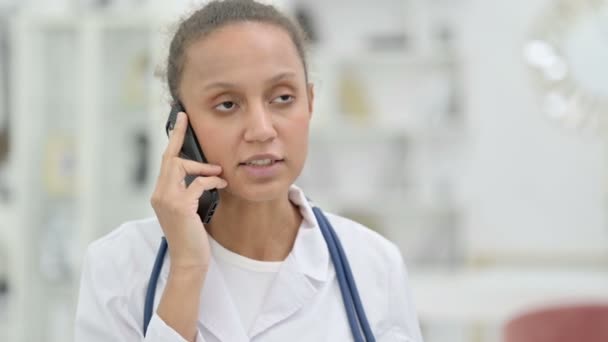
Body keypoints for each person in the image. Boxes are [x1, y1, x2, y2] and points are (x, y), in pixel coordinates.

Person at [74, 0, 423, 341]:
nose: (261, 129)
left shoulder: (374, 264)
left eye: (283, 98)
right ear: (180, 123)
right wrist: (186, 270)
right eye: (227, 104)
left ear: (311, 102)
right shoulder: (118, 268)